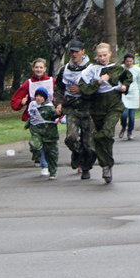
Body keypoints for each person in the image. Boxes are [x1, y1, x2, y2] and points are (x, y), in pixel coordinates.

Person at [84, 42, 133, 183]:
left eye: (105, 55)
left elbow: (127, 77)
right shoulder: (92, 70)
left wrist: (124, 86)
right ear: (96, 56)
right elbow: (85, 88)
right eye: (99, 56)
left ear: (110, 54)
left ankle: (105, 161)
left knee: (104, 134)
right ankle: (106, 165)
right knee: (105, 139)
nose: (103, 58)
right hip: (97, 108)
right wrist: (98, 82)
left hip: (114, 106)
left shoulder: (117, 68)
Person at [56, 40, 96, 179]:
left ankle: (86, 168)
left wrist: (82, 89)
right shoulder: (65, 69)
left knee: (90, 145)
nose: (74, 54)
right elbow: (59, 88)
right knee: (71, 138)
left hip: (88, 109)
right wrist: (58, 103)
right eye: (71, 52)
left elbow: (97, 88)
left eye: (76, 51)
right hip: (71, 108)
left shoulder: (92, 69)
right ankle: (77, 153)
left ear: (83, 52)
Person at [9, 58, 55, 174]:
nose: (38, 70)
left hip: (49, 118)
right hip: (34, 119)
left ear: (45, 69)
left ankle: (45, 166)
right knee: (37, 143)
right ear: (33, 69)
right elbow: (15, 101)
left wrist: (59, 110)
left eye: (41, 67)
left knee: (47, 142)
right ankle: (37, 154)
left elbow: (60, 96)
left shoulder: (51, 81)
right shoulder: (29, 83)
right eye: (36, 67)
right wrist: (22, 102)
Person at [24, 88, 59, 180]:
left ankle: (53, 171)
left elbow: (55, 114)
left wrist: (59, 113)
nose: (39, 98)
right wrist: (27, 125)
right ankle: (37, 156)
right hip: (37, 132)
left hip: (49, 134)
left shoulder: (49, 107)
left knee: (51, 154)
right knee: (34, 145)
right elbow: (32, 117)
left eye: (41, 96)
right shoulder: (33, 105)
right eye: (37, 96)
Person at [118, 53, 140, 140]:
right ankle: (123, 126)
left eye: (131, 61)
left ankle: (130, 131)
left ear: (133, 61)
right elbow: (117, 80)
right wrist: (119, 88)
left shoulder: (137, 69)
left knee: (132, 116)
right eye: (127, 61)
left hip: (134, 92)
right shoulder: (120, 68)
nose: (129, 63)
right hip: (123, 93)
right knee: (123, 114)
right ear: (125, 61)